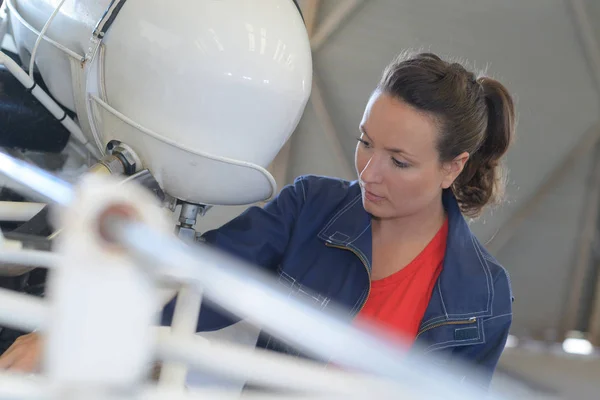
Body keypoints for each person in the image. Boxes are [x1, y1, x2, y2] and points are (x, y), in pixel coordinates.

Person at [0, 51, 515, 388]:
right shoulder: (311, 208)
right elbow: (193, 284)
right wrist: (66, 332)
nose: (368, 173)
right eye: (364, 142)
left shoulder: (483, 297)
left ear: (453, 167)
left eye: (399, 162)